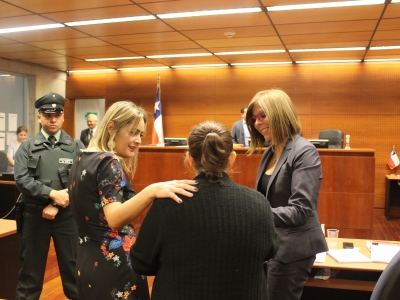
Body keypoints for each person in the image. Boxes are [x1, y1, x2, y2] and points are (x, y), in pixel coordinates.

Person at [130, 120, 280, 300]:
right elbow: (270, 251)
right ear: (231, 159)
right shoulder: (260, 204)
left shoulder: (167, 204)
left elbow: (141, 262)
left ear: (190, 159)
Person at [67, 101, 198, 300]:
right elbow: (115, 219)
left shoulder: (82, 158)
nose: (138, 140)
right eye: (133, 132)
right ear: (112, 127)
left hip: (87, 262)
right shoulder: (108, 162)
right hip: (113, 268)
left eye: (141, 134)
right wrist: (151, 191)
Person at [245, 89, 328, 300]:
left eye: (263, 116)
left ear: (280, 113)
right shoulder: (270, 152)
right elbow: (265, 199)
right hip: (273, 244)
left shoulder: (304, 151)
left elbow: (300, 211)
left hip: (294, 249)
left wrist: (254, 212)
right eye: (254, 118)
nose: (257, 123)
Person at [14, 92, 85, 300]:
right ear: (39, 117)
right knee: (30, 275)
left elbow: (82, 181)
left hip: (67, 218)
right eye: (47, 115)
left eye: (57, 114)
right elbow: (22, 180)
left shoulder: (76, 147)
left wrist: (55, 203)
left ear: (63, 117)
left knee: (74, 272)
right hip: (34, 217)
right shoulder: (27, 147)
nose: (52, 119)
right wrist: (52, 193)